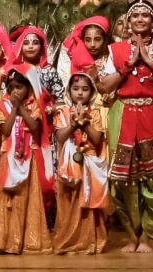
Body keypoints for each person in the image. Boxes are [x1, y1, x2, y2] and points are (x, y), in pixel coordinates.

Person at [99, 0, 153, 253]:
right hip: (123, 113)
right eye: (135, 16)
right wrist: (129, 64)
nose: (140, 20)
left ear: (152, 21)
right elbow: (105, 86)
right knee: (121, 179)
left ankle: (147, 234)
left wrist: (150, 62)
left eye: (146, 15)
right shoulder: (116, 49)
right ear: (128, 21)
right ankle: (131, 234)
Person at [0, 66, 52, 254]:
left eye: (19, 87)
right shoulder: (2, 105)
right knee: (6, 197)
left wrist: (21, 109)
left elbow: (35, 128)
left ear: (28, 87)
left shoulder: (34, 105)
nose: (15, 91)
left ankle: (28, 240)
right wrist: (14, 109)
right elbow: (6, 130)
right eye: (11, 88)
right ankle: (5, 241)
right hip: (7, 158)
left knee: (27, 196)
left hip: (28, 158)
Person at [52, 71, 110, 254]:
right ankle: (67, 240)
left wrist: (84, 123)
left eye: (85, 89)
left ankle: (89, 241)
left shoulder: (96, 113)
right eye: (76, 88)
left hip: (89, 161)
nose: (79, 93)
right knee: (68, 202)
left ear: (92, 92)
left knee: (88, 201)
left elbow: (97, 139)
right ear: (69, 90)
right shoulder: (62, 112)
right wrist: (73, 124)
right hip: (69, 162)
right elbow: (60, 137)